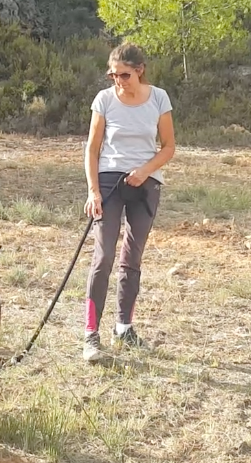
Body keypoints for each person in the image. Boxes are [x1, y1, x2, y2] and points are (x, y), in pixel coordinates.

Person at [81, 42, 176, 362]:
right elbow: (92, 150)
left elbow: (168, 147)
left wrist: (145, 171)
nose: (118, 80)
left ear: (140, 70)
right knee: (103, 255)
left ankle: (124, 327)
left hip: (145, 184)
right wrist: (93, 191)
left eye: (124, 74)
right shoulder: (104, 100)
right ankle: (90, 335)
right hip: (108, 182)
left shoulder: (159, 98)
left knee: (131, 258)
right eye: (112, 75)